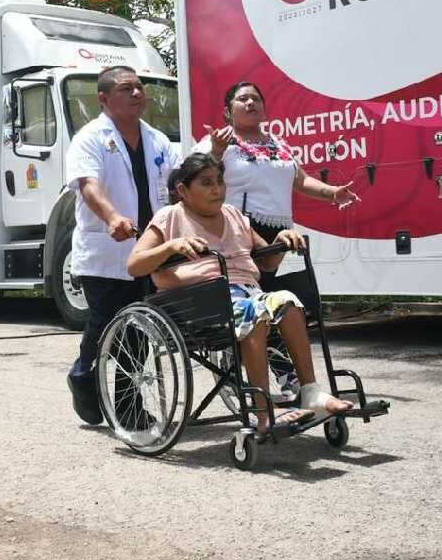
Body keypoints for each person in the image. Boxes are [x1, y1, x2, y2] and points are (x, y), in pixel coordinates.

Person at [127, 153, 353, 435]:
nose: (217, 189)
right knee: (254, 313)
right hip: (201, 302)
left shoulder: (234, 215)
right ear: (183, 190)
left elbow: (266, 261)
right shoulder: (170, 217)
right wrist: (171, 247)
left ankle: (310, 391)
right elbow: (134, 264)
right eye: (206, 183)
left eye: (220, 182)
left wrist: (281, 243)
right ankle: (262, 412)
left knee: (288, 302)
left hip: (248, 293)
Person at [194, 81, 360, 397]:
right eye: (243, 99)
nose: (251, 103)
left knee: (281, 300)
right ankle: (286, 379)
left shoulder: (277, 143)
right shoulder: (218, 142)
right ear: (228, 109)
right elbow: (193, 178)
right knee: (264, 303)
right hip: (240, 232)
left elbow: (300, 179)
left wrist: (332, 193)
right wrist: (216, 150)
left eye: (256, 98)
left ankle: (288, 378)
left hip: (280, 236)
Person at [64, 65, 182, 425]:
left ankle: (130, 410)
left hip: (150, 249)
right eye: (126, 88)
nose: (137, 94)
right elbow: (89, 186)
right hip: (107, 250)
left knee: (140, 331)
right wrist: (113, 217)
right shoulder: (90, 138)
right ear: (103, 98)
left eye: (139, 88)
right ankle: (84, 373)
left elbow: (179, 181)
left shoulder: (157, 139)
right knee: (104, 323)